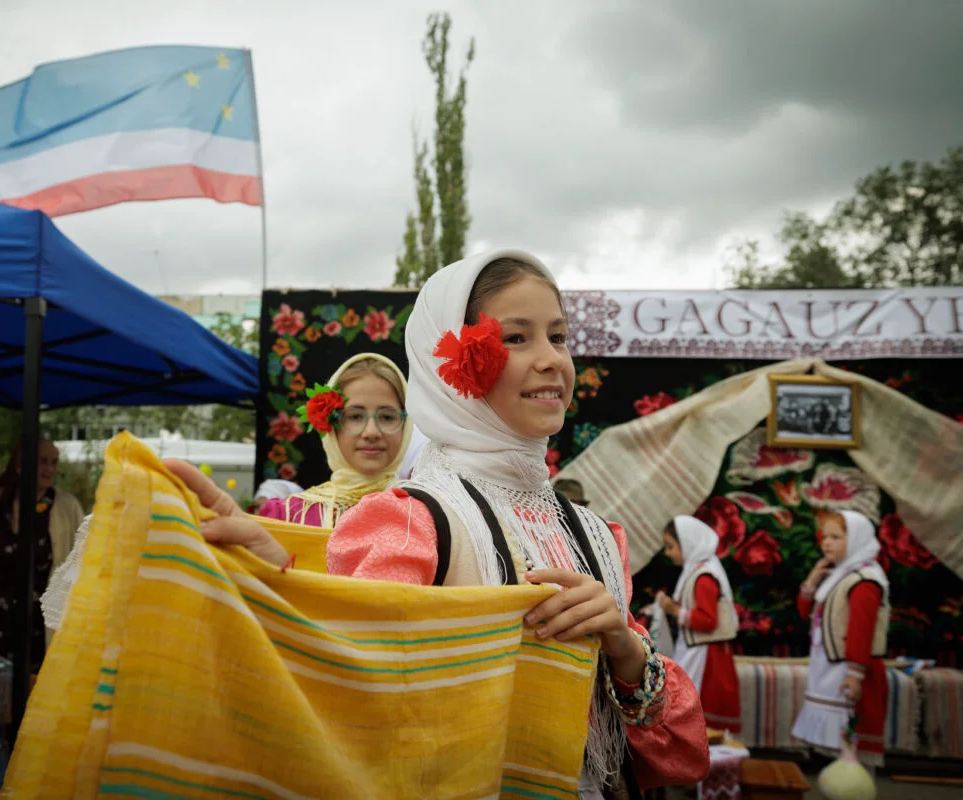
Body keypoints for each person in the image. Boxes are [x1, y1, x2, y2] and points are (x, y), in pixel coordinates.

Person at [178, 250, 709, 798]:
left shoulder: (596, 533)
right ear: (449, 363)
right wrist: (277, 591)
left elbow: (684, 758)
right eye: (517, 338)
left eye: (559, 335)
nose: (552, 359)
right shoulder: (412, 520)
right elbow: (355, 705)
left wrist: (624, 648)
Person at [0, 438, 84, 670]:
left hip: (41, 627)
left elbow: (84, 564)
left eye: (54, 462)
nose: (50, 469)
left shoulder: (67, 508)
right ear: (20, 465)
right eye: (42, 462)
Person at [255, 353, 411, 528]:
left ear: (407, 424)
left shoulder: (422, 515)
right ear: (330, 425)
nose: (371, 432)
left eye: (388, 417)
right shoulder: (288, 516)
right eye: (355, 416)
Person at [791, 510, 889, 769]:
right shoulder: (840, 574)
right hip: (830, 667)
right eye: (825, 536)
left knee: (851, 751)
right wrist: (813, 580)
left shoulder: (866, 580)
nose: (826, 543)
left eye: (836, 537)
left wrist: (855, 673)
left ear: (856, 539)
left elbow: (861, 629)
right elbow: (807, 613)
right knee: (836, 752)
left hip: (849, 670)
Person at [657, 516, 741, 733]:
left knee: (696, 709)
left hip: (706, 656)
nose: (667, 552)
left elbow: (707, 621)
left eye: (671, 546)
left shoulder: (704, 577)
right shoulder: (695, 573)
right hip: (698, 650)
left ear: (688, 544)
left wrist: (673, 610)